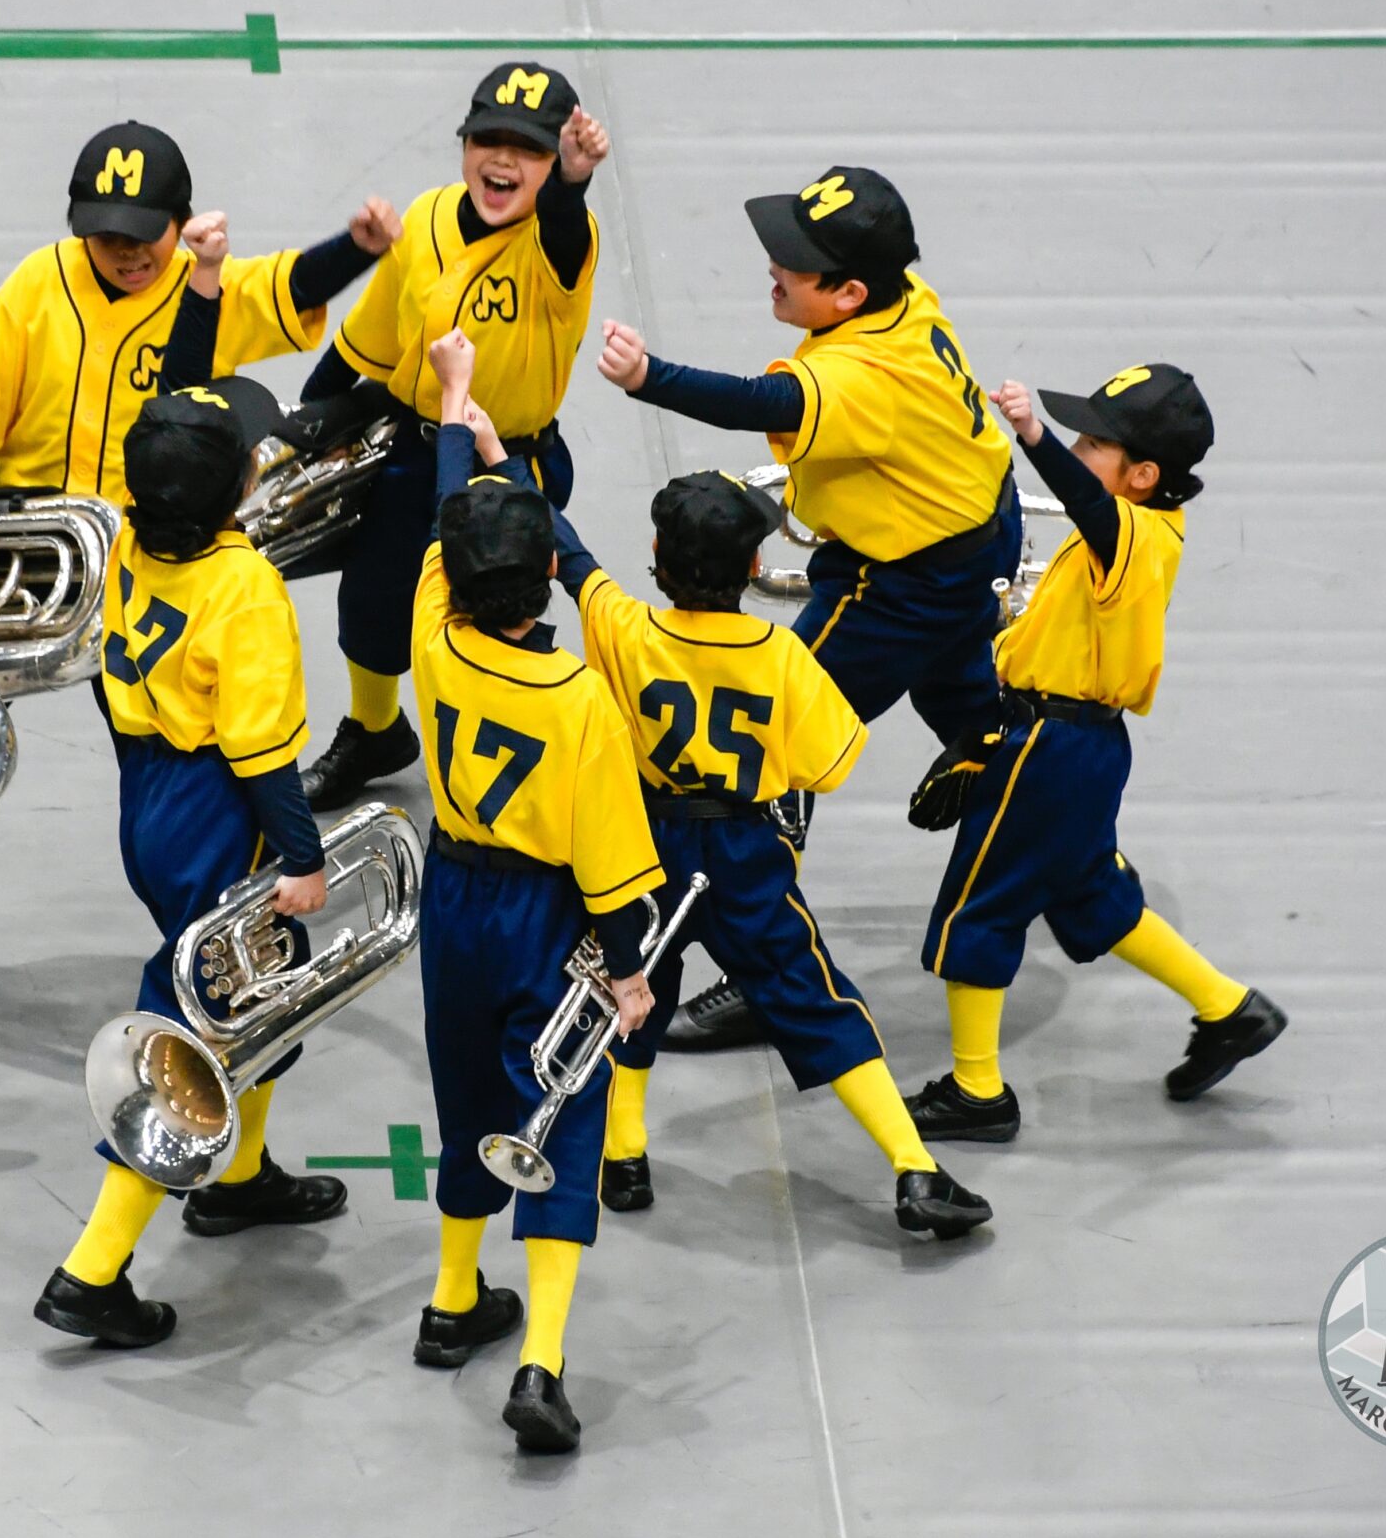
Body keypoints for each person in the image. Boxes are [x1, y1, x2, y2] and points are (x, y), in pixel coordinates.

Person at [0, 122, 398, 1003]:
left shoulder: (197, 288)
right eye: (105, 238)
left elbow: (285, 288)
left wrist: (358, 248)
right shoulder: (40, 283)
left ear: (177, 226)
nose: (124, 254)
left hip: (149, 559)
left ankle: (216, 921)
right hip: (28, 552)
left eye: (141, 237)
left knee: (163, 752)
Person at [467, 437, 991, 1237]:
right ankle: (914, 1167)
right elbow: (833, 761)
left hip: (645, 847)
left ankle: (626, 1154)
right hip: (746, 855)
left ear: (657, 558)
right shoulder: (782, 654)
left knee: (628, 987)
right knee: (817, 1000)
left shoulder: (624, 628)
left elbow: (570, 557)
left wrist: (503, 459)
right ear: (753, 570)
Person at [594, 164, 1019, 1053]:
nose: (774, 269)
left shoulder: (864, 376)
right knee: (968, 700)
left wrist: (647, 377)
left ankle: (766, 965)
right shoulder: (908, 300)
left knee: (770, 731)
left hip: (896, 580)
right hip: (972, 531)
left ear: (851, 291)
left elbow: (762, 401)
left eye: (796, 263)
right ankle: (1033, 803)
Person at [32, 377, 349, 1349]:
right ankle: (90, 1272)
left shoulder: (127, 538)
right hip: (219, 804)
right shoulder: (243, 582)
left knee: (259, 990)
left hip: (148, 791)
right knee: (201, 1020)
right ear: (237, 488)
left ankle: (242, 1179)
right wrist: (298, 856)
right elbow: (261, 753)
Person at [905, 366, 1287, 1144]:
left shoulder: (1131, 533)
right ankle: (1229, 1007)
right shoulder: (1140, 533)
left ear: (1142, 477)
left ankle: (978, 1090)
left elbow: (1084, 499)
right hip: (1081, 747)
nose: (1078, 452)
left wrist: (1034, 438)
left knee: (981, 906)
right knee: (1089, 895)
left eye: (1093, 443)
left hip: (1049, 747)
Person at [408, 328, 666, 1456]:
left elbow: (439, 515)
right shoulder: (578, 699)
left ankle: (451, 1297)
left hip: (449, 903)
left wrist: (459, 410)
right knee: (558, 1115)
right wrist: (628, 976)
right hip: (543, 918)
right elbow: (614, 873)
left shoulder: (430, 635)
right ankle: (540, 1363)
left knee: (465, 1101)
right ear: (547, 578)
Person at [292, 63, 609, 814]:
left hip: (507, 462)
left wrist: (572, 181)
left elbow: (564, 221)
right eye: (488, 140)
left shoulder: (559, 243)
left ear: (553, 163)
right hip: (412, 448)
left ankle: (499, 762)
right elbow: (373, 333)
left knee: (491, 619)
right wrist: (313, 407)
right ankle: (375, 730)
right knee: (371, 600)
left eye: (528, 151)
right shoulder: (430, 217)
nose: (502, 161)